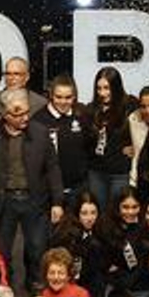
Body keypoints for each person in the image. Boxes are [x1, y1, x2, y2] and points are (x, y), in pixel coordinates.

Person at [0, 89, 64, 290]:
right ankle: (7, 292)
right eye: (18, 114)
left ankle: (36, 292)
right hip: (4, 201)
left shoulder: (40, 133)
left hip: (34, 200)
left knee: (37, 249)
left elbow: (53, 168)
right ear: (5, 115)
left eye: (26, 112)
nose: (24, 117)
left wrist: (57, 202)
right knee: (2, 253)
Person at [33, 74, 93, 207]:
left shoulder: (82, 115)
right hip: (48, 192)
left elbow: (89, 147)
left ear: (74, 97)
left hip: (78, 189)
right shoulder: (38, 120)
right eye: (58, 97)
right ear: (51, 95)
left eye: (68, 97)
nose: (63, 102)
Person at [86, 67, 136, 212]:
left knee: (118, 213)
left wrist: (137, 147)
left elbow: (147, 126)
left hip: (120, 172)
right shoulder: (91, 109)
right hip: (96, 172)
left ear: (116, 86)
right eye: (99, 88)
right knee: (99, 214)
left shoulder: (130, 105)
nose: (102, 93)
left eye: (107, 88)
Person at [0, 56, 47, 120]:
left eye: (16, 74)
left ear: (27, 77)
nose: (11, 78)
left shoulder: (40, 103)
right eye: (8, 74)